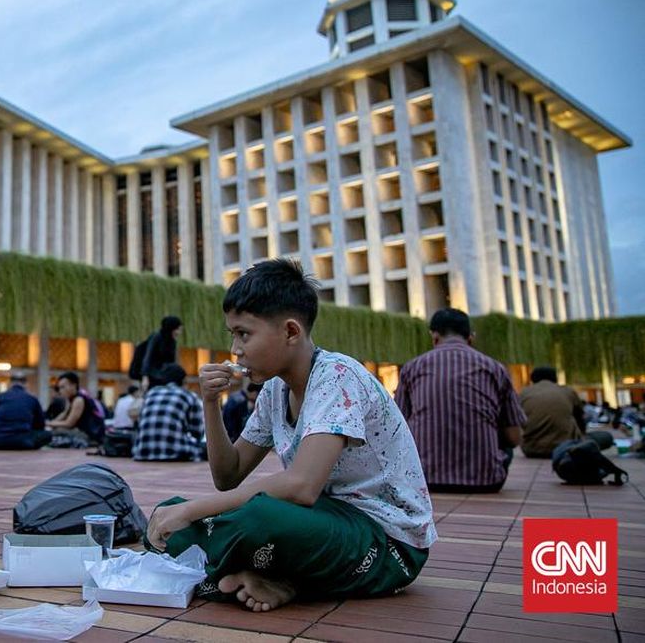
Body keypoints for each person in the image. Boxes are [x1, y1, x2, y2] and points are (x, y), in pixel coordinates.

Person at [146, 259, 435, 612]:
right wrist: (210, 403)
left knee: (256, 518)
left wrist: (193, 511)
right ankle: (273, 579)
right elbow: (228, 476)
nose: (235, 349)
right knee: (167, 513)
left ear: (291, 332)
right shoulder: (274, 390)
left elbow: (301, 486)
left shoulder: (337, 377)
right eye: (232, 335)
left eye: (244, 333)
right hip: (321, 520)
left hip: (386, 539)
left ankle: (238, 573)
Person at [395, 308, 526, 493]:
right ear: (471, 337)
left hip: (423, 479)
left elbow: (397, 427)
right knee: (505, 443)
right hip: (486, 481)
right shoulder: (494, 368)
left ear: (434, 336)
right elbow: (514, 438)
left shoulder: (412, 368)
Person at [133, 363, 204, 462]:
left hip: (143, 451)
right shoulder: (189, 396)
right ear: (183, 381)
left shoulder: (151, 393)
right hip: (176, 452)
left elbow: (140, 422)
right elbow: (197, 432)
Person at [520, 366, 587, 458]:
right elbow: (579, 417)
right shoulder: (567, 391)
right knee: (605, 437)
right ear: (555, 378)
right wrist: (582, 436)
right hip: (566, 449)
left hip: (531, 449)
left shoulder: (524, 393)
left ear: (532, 378)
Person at [0, 372, 51, 450]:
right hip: (22, 441)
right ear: (25, 384)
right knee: (47, 435)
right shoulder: (32, 398)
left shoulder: (0, 397)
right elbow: (40, 424)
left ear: (10, 383)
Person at [47, 372, 103, 447]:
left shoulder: (79, 400)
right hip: (82, 432)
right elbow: (64, 414)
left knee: (53, 433)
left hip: (89, 435)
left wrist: (49, 424)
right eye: (59, 388)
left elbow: (69, 423)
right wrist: (52, 423)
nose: (60, 391)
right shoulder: (72, 399)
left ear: (73, 385)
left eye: (63, 387)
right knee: (52, 431)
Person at [140, 316, 184, 386]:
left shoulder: (172, 341)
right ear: (171, 329)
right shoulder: (156, 337)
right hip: (153, 375)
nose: (179, 332)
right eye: (178, 329)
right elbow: (148, 357)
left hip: (166, 376)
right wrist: (145, 376)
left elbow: (172, 360)